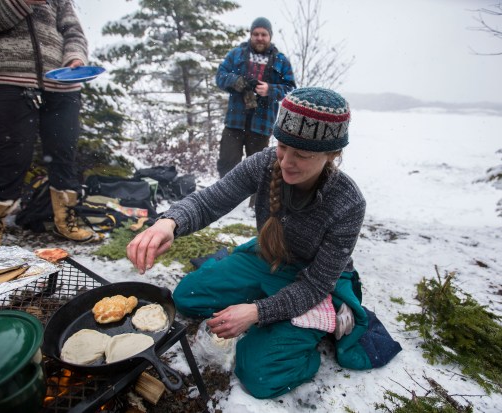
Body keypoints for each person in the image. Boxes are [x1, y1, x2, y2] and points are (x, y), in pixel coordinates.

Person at [127, 87, 401, 399]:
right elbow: (211, 200)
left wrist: (257, 312)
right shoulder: (264, 164)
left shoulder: (347, 203)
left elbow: (315, 285)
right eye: (283, 147)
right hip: (267, 258)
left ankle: (311, 337)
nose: (287, 162)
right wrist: (169, 223)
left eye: (303, 154)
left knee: (259, 374)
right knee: (186, 296)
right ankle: (265, 301)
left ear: (332, 155)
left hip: (314, 283)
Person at [0, 0, 99, 250]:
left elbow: (72, 29)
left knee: (64, 154)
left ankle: (66, 221)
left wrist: (75, 56)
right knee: (11, 155)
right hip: (11, 77)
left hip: (63, 82)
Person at [215, 16, 296, 181]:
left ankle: (256, 204)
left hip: (262, 123)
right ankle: (226, 199)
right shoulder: (236, 54)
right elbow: (220, 76)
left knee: (259, 169)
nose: (260, 38)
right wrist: (237, 81)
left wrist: (270, 89)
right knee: (227, 163)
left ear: (270, 36)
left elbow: (291, 89)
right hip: (235, 121)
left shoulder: (281, 61)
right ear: (251, 35)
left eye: (264, 34)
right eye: (256, 34)